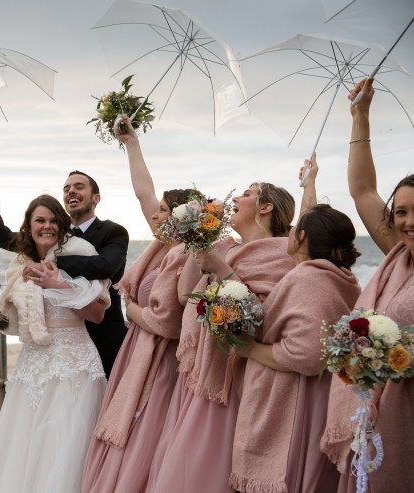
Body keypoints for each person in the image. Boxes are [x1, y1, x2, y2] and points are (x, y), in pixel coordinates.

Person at [146, 180, 297, 492]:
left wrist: (221, 269)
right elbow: (185, 296)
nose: (236, 198)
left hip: (237, 375)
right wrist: (197, 240)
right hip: (202, 369)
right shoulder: (225, 247)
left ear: (266, 207)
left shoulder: (282, 254)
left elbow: (262, 319)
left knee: (207, 468)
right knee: (184, 462)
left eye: (247, 193)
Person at [82, 117, 197, 492]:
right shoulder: (163, 246)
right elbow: (143, 191)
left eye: (163, 210)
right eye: (158, 209)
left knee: (148, 430)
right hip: (138, 347)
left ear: (180, 218)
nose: (155, 214)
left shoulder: (186, 255)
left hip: (162, 359)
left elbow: (168, 321)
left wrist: (128, 307)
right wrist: (131, 144)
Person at [0, 194, 110, 493]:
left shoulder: (81, 253)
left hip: (74, 365)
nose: (47, 226)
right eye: (40, 221)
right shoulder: (19, 263)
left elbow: (97, 314)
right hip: (32, 366)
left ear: (62, 224)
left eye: (53, 221)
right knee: (22, 445)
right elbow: (15, 323)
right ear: (29, 226)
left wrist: (56, 284)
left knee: (65, 444)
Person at [322, 77, 414, 492]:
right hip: (379, 408)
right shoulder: (398, 251)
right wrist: (360, 116)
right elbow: (362, 190)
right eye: (401, 212)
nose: (409, 222)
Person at [230, 202, 361, 492]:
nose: (288, 231)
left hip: (295, 401)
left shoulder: (309, 278)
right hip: (319, 394)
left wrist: (250, 349)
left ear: (302, 237)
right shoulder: (342, 279)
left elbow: (306, 354)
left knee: (288, 478)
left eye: (294, 228)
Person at [0, 165, 128, 377]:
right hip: (56, 344)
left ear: (96, 198)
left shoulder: (113, 232)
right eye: (66, 189)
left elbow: (105, 265)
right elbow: (5, 238)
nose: (71, 191)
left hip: (103, 336)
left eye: (79, 187)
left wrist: (49, 265)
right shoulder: (50, 235)